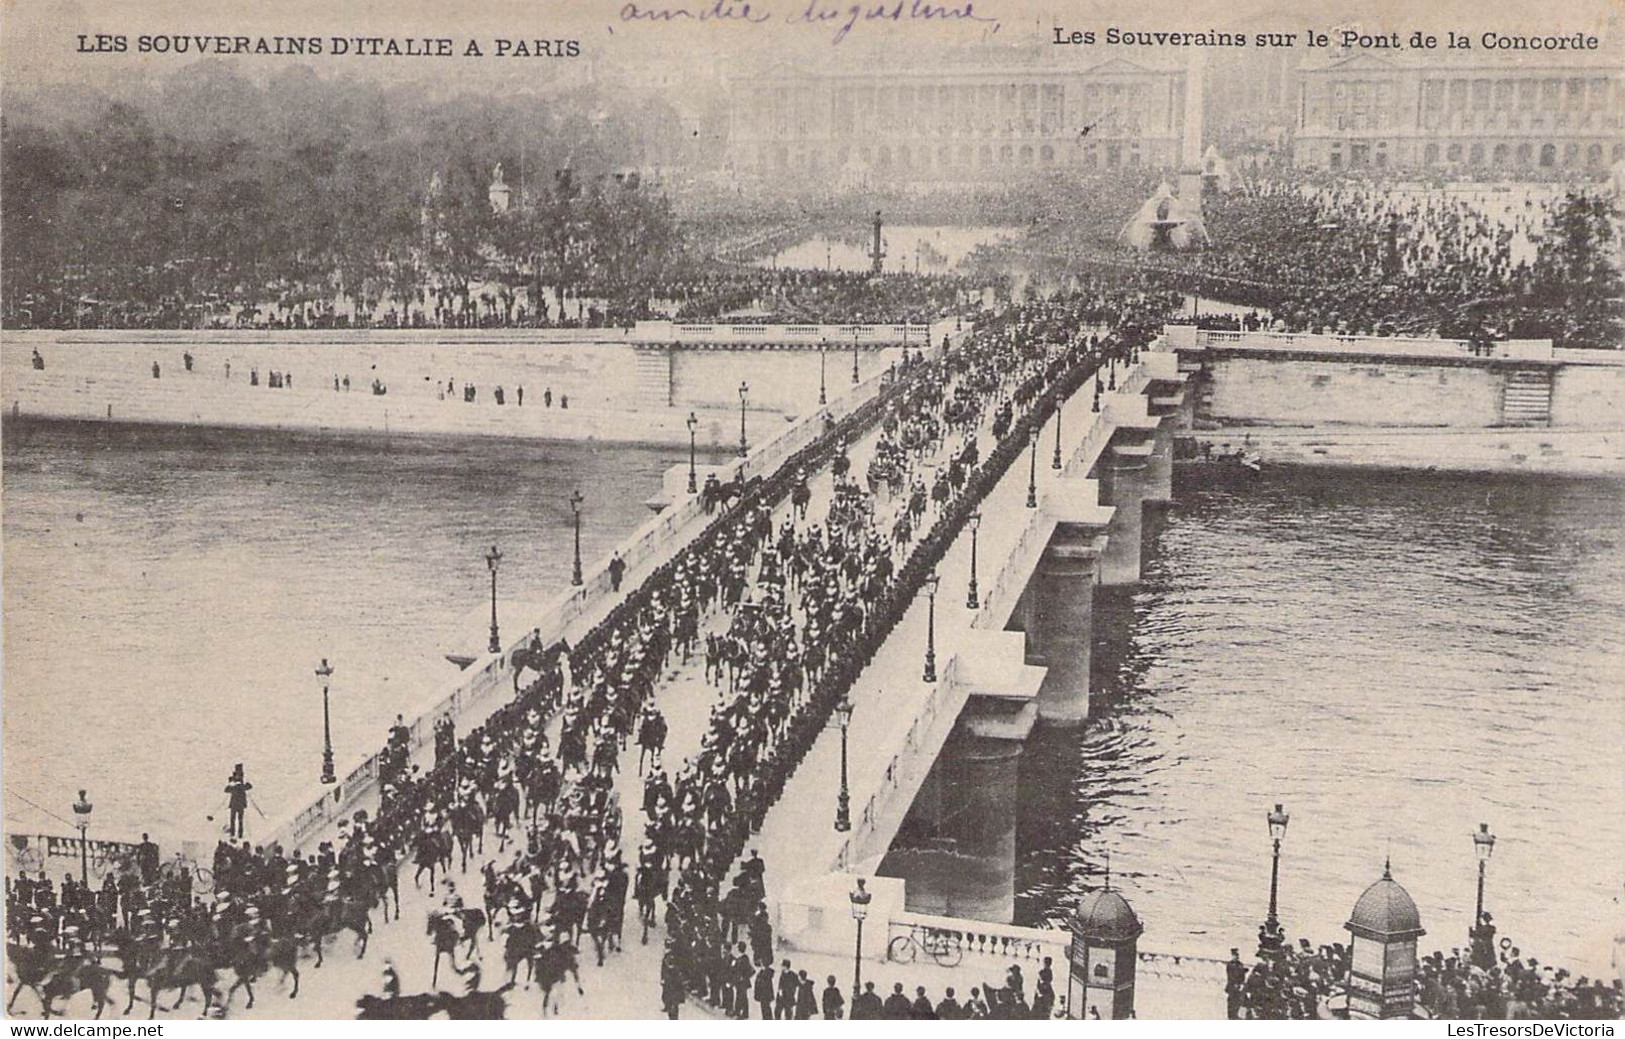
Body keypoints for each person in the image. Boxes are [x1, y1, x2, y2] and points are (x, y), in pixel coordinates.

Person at [225, 763, 252, 839]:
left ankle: (239, 834)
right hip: (236, 803)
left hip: (238, 804)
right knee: (233, 819)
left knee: (239, 820)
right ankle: (234, 833)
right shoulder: (235, 783)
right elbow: (227, 789)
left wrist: (238, 785)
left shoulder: (240, 784)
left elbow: (249, 786)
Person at [1226, 947, 1247, 1019]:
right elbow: (1230, 976)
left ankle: (1236, 1016)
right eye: (1235, 955)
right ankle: (1231, 1016)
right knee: (1231, 1003)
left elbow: (1242, 976)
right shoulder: (1230, 965)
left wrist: (1241, 983)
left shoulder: (1240, 964)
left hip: (1238, 987)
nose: (1236, 957)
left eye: (1237, 955)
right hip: (1232, 987)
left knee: (1238, 1002)